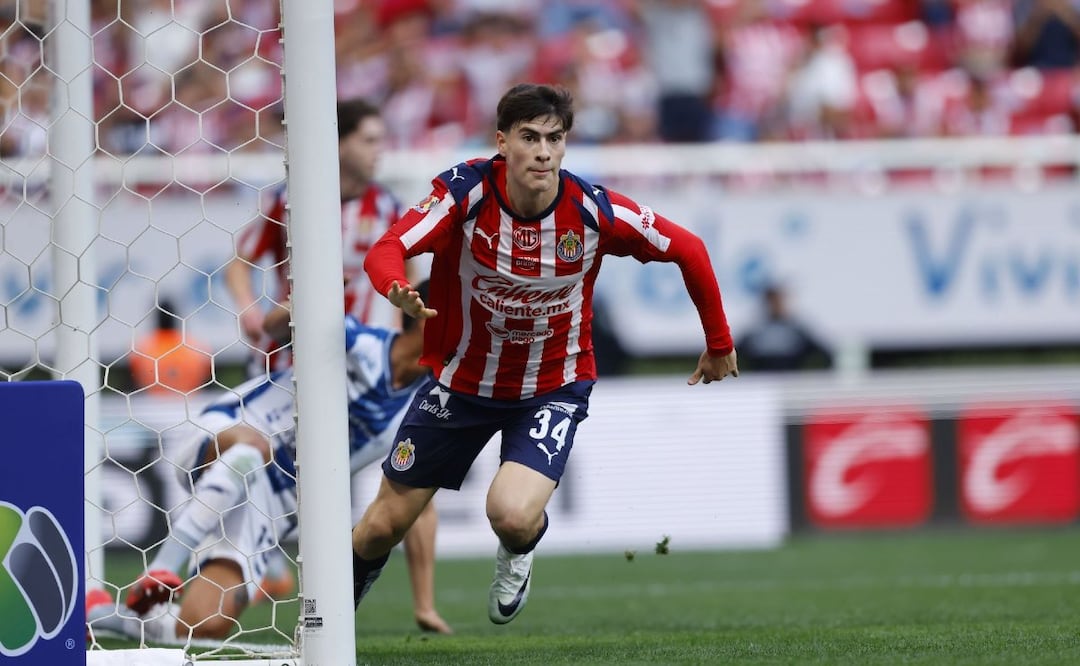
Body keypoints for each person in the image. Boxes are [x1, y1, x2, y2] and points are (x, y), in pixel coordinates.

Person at [349, 83, 738, 626]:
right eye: (529, 138)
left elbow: (688, 248)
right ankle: (331, 628)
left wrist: (718, 343)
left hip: (551, 387)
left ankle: (519, 553)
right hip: (460, 386)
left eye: (554, 139)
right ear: (502, 142)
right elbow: (388, 246)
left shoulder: (593, 210)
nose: (543, 151)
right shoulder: (464, 193)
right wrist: (393, 284)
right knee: (379, 528)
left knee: (509, 515)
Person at [87, 281, 452, 641]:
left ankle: (105, 616)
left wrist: (424, 605)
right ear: (424, 318)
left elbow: (415, 502)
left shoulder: (418, 411)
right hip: (228, 430)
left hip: (270, 505)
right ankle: (163, 568)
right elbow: (275, 326)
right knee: (255, 449)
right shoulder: (361, 341)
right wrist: (303, 306)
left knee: (204, 626)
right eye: (459, 322)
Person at [224, 97, 415, 378]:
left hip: (358, 361)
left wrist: (398, 324)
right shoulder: (288, 200)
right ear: (339, 144)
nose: (379, 151)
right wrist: (247, 307)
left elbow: (408, 268)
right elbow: (239, 263)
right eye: (369, 141)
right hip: (288, 355)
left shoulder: (390, 207)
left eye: (381, 141)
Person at [735, 283, 832, 372]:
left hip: (791, 381)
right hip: (761, 381)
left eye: (779, 301)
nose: (775, 305)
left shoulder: (797, 330)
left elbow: (824, 354)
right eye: (772, 302)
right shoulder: (756, 331)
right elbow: (734, 354)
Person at [129, 300, 212, 396]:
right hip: (189, 400)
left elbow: (134, 375)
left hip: (153, 402)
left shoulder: (143, 345)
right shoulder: (193, 344)